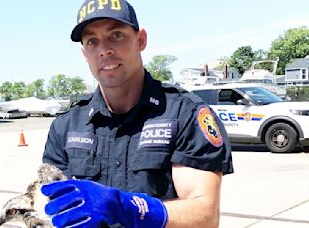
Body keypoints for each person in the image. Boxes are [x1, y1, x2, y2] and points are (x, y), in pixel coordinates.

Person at [41, 0, 234, 227]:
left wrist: (128, 207)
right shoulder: (66, 126)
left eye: (116, 35)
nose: (104, 50)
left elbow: (205, 216)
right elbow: (53, 208)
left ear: (140, 40)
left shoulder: (184, 113)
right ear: (84, 53)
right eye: (92, 41)